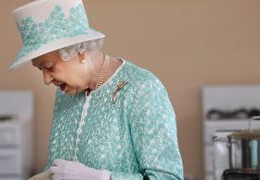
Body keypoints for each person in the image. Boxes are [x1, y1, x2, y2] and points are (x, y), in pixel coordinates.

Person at [10, 0, 184, 179]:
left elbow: (168, 177)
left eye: (49, 66)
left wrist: (101, 177)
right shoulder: (64, 94)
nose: (46, 79)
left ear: (80, 51)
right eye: (40, 69)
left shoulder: (143, 89)